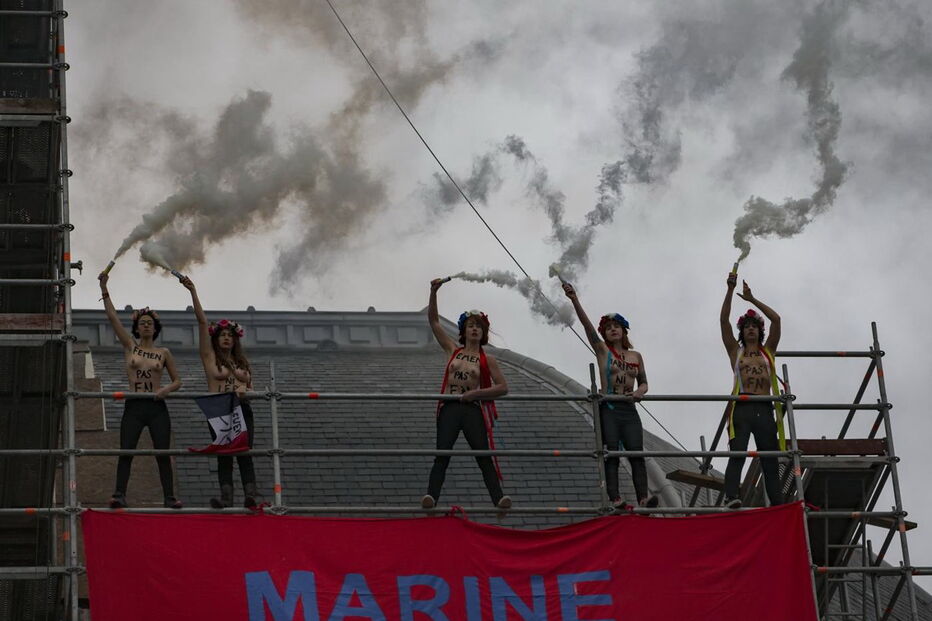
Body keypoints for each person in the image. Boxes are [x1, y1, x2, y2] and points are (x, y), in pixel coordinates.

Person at [563, 282, 657, 509]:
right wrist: (574, 299)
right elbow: (587, 328)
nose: (613, 329)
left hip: (629, 407)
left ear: (624, 330)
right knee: (611, 452)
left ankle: (643, 499)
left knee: (637, 453)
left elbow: (644, 383)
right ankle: (615, 497)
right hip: (610, 407)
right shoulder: (603, 351)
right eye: (609, 327)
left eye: (617, 326)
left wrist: (638, 393)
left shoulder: (636, 356)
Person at [422, 278, 511, 510]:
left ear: (483, 332)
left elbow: (503, 387)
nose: (474, 329)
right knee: (442, 452)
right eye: (470, 325)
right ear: (464, 329)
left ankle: (498, 498)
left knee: (483, 454)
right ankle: (432, 496)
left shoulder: (487, 359)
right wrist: (434, 292)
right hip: (450, 406)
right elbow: (433, 322)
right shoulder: (453, 350)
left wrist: (477, 394)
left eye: (478, 326)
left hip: (472, 408)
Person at [97, 271, 183, 509]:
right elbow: (113, 318)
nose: (146, 326)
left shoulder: (163, 352)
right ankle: (119, 494)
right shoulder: (130, 347)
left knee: (163, 453)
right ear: (137, 327)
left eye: (150, 323)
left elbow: (178, 381)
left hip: (156, 405)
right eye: (142, 323)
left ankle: (169, 497)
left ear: (155, 329)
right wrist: (104, 289)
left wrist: (166, 390)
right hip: (134, 404)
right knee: (126, 451)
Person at [180, 276, 260, 508]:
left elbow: (252, 389)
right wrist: (193, 291)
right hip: (219, 409)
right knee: (224, 453)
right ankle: (226, 497)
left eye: (230, 335)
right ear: (216, 339)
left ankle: (251, 495)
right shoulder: (210, 358)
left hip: (242, 408)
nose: (226, 338)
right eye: (223, 335)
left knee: (244, 451)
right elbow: (203, 323)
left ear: (236, 340)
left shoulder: (243, 363)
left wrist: (245, 388)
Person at [719, 273, 784, 509]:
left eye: (754, 326)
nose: (750, 330)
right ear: (742, 332)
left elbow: (777, 320)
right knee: (738, 453)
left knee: (770, 459)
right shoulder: (736, 352)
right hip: (742, 408)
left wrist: (752, 300)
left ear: (760, 331)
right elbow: (723, 322)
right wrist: (729, 290)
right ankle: (731, 497)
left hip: (765, 408)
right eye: (746, 327)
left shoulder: (768, 351)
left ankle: (778, 504)